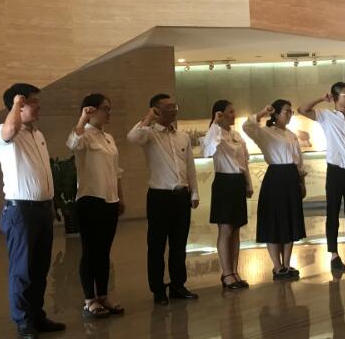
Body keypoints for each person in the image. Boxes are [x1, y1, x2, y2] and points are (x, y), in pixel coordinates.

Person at [0, 83, 65, 339]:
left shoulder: (38, 134)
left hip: (42, 209)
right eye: (33, 102)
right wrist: (15, 104)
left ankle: (37, 315)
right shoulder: (2, 131)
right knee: (21, 270)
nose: (38, 106)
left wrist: (51, 204)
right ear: (19, 104)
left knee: (39, 268)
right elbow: (10, 130)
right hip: (21, 212)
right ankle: (23, 321)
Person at [127, 93, 199, 304]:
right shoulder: (149, 134)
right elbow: (133, 137)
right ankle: (158, 290)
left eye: (175, 106)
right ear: (156, 110)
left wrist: (194, 192)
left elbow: (190, 166)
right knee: (157, 246)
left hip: (181, 195)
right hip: (159, 196)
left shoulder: (182, 136)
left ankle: (178, 285)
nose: (174, 110)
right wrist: (149, 118)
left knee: (179, 244)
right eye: (168, 107)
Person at [298, 83, 345, 272]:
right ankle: (334, 255)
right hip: (335, 171)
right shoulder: (326, 116)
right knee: (332, 214)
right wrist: (322, 98)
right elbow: (302, 109)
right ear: (336, 97)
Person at [67, 93, 125, 318]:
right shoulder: (84, 134)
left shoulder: (108, 138)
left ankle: (103, 295)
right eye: (105, 108)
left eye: (109, 108)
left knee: (104, 251)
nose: (108, 113)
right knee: (90, 251)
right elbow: (73, 142)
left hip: (110, 200)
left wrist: (120, 197)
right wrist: (82, 119)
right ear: (91, 110)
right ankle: (89, 299)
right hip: (90, 199)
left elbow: (116, 171)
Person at [243, 100, 306, 279]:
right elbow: (247, 126)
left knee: (289, 220)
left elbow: (299, 161)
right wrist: (263, 112)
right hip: (275, 178)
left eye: (291, 111)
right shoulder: (265, 132)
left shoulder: (292, 135)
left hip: (292, 177)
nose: (289, 114)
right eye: (286, 111)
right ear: (276, 114)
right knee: (273, 221)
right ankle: (277, 266)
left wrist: (302, 182)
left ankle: (287, 264)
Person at [201, 99, 253, 290]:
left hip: (238, 182)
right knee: (226, 229)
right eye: (230, 112)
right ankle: (227, 273)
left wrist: (248, 183)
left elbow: (244, 162)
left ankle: (235, 271)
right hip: (224, 182)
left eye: (233, 111)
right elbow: (207, 150)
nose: (233, 115)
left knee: (236, 229)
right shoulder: (214, 134)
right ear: (220, 114)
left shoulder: (236, 135)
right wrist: (215, 123)